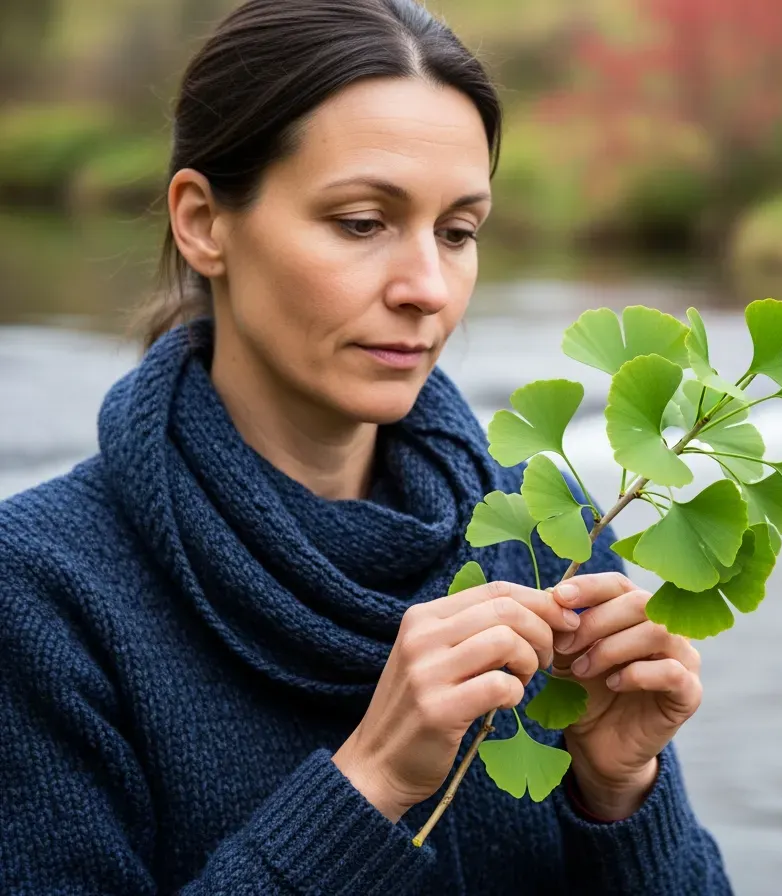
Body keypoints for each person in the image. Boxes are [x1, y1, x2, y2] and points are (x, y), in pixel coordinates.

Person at [0, 1, 732, 892]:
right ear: (202, 222)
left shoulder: (547, 535)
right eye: (360, 222)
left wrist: (623, 795)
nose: (427, 287)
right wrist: (370, 785)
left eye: (458, 232)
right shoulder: (43, 594)